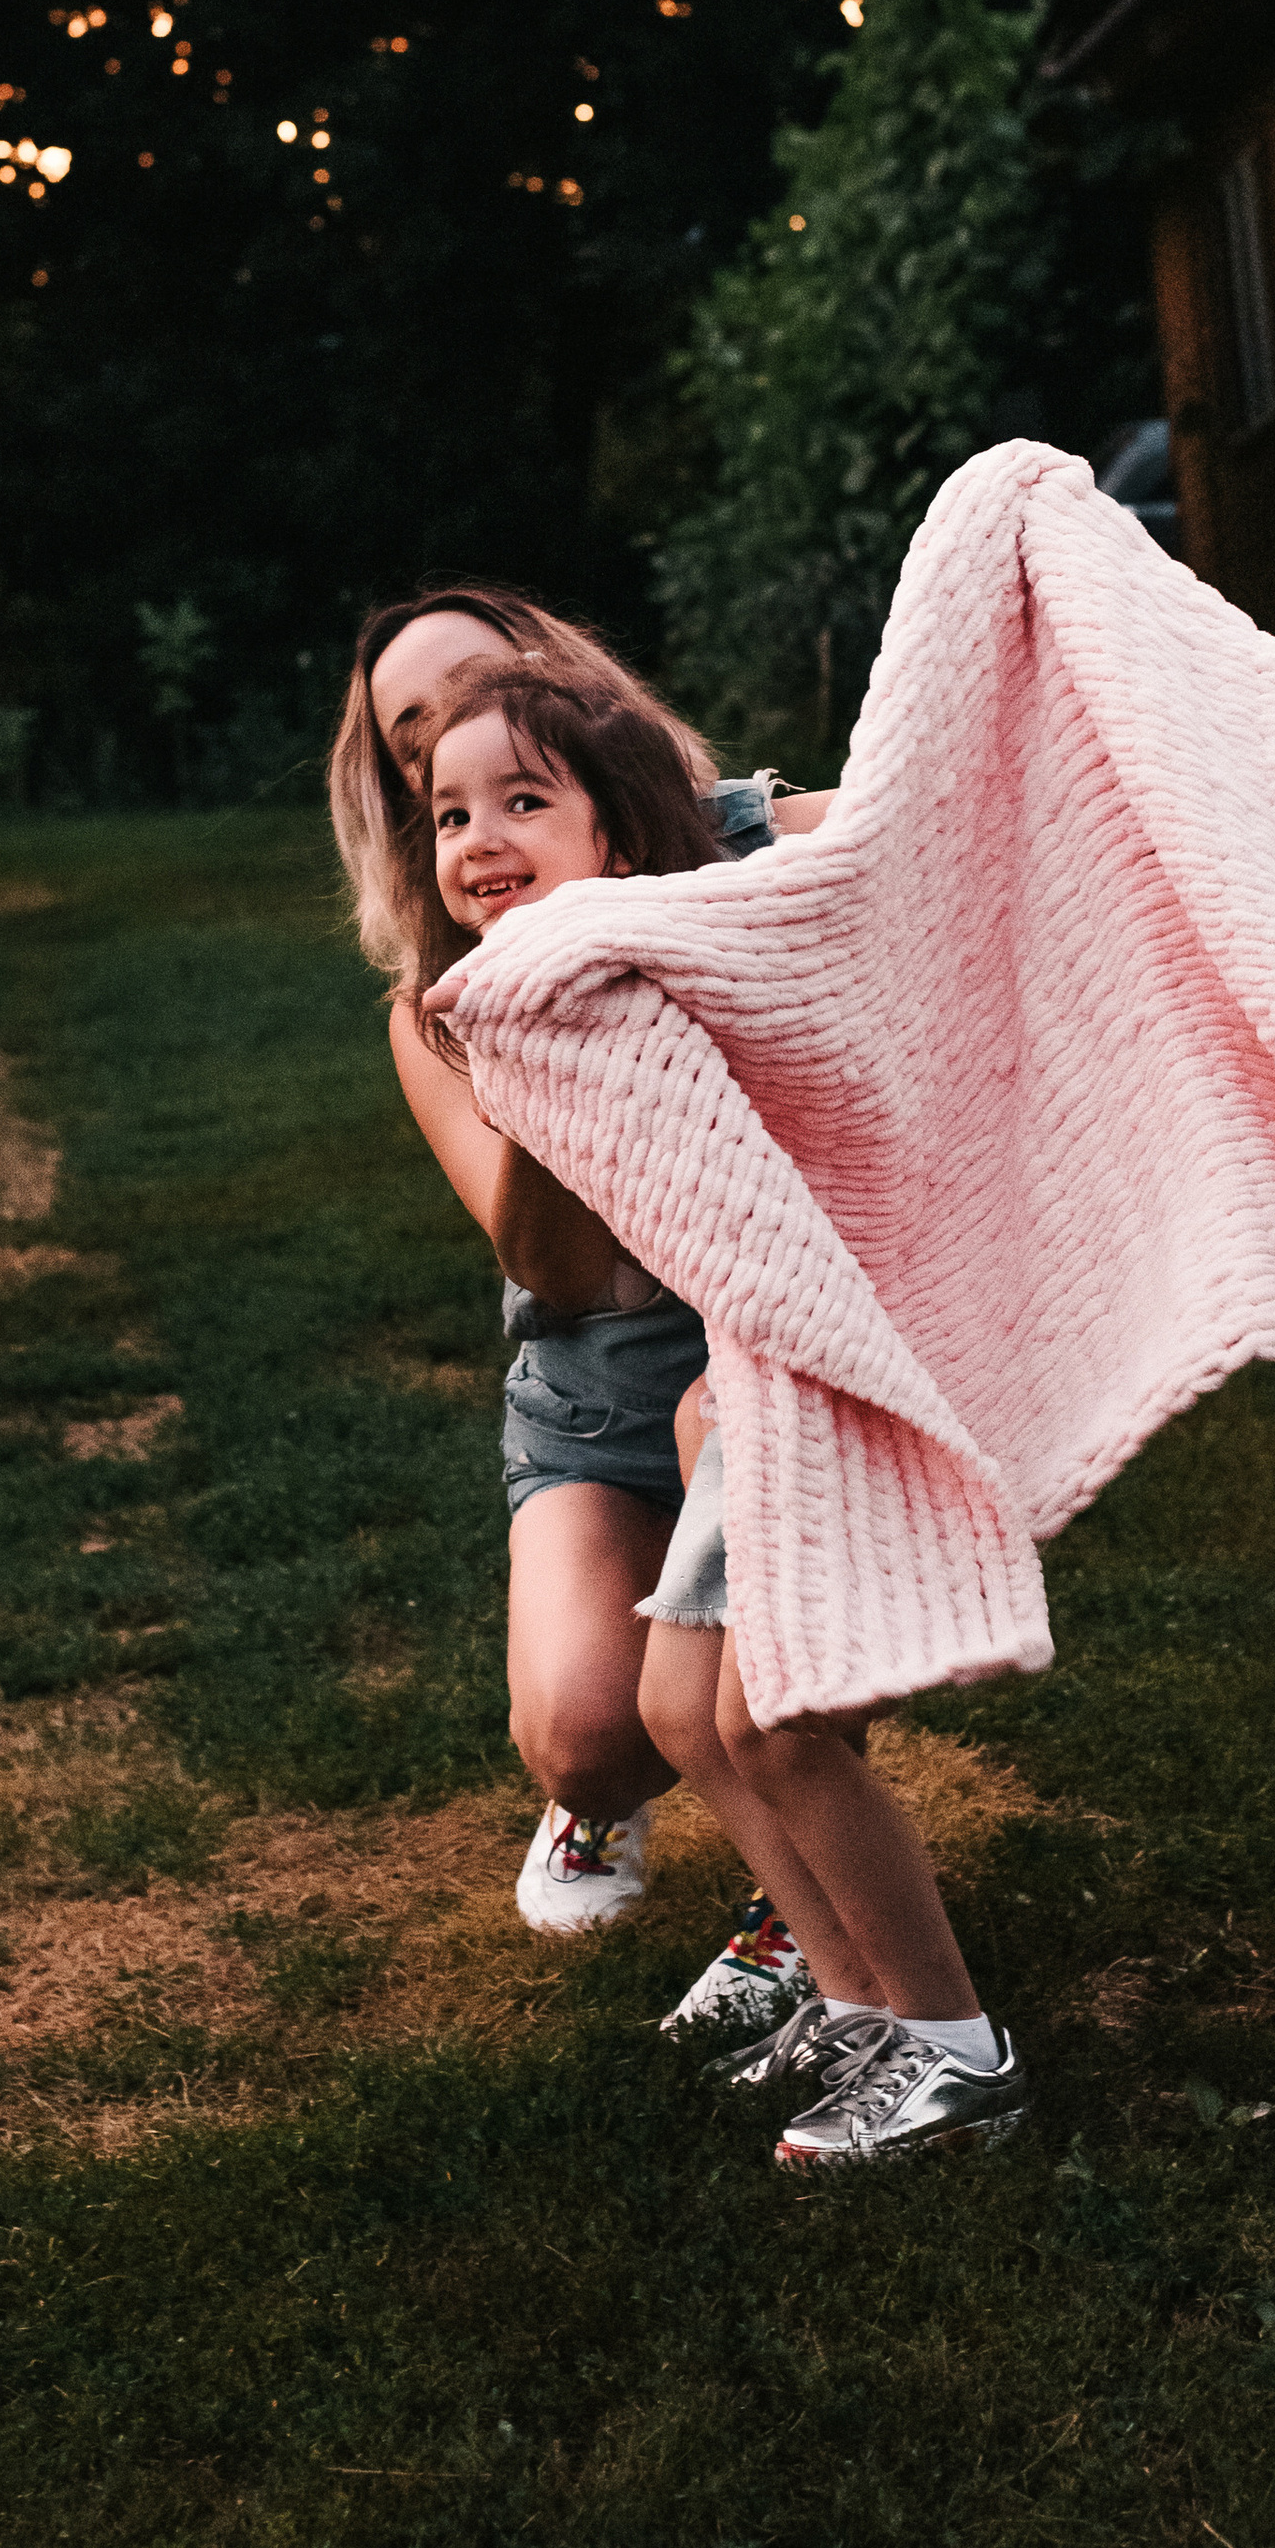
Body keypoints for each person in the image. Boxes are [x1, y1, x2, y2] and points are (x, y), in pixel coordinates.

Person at [411, 661, 1025, 2175]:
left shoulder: (678, 944)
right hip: (721, 1381)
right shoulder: (530, 989)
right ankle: (851, 1993)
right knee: (684, 1713)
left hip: (803, 1359)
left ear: (619, 836)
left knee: (777, 1717)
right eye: (448, 813)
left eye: (523, 801)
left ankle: (953, 2047)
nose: (479, 835)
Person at [334, 584, 831, 2027]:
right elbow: (552, 1269)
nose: (460, 762)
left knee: (779, 1646)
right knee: (584, 1729)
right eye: (418, 747)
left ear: (573, 699)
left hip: (785, 1360)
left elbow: (948, 826)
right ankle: (596, 1804)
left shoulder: (755, 849)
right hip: (602, 1394)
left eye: (482, 691)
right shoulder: (442, 998)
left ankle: (796, 1900)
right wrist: (538, 1035)